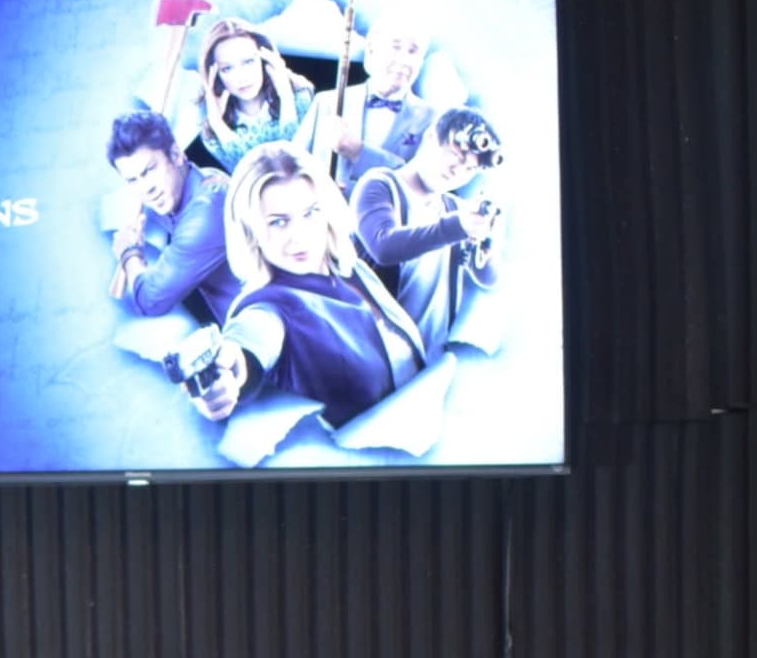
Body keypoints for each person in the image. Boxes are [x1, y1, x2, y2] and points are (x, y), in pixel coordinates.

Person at [186, 142, 429, 430]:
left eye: (311, 212)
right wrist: (231, 370)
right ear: (250, 230)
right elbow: (250, 341)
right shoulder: (267, 306)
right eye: (278, 222)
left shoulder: (353, 270)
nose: (300, 236)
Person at [350, 106, 505, 345]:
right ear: (431, 137)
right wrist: (459, 227)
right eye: (455, 156)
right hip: (380, 351)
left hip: (433, 354)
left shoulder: (456, 209)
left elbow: (488, 278)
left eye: (470, 169)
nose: (458, 172)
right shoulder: (379, 185)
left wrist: (486, 241)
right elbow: (383, 248)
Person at [105, 106, 238, 320]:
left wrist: (129, 253)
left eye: (149, 170)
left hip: (281, 338)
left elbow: (151, 301)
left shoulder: (206, 210)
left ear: (176, 155)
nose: (146, 189)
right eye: (132, 179)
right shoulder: (189, 183)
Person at [183, 20, 310, 178]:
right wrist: (218, 125)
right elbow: (248, 176)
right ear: (214, 75)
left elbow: (297, 161)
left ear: (265, 60)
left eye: (248, 61)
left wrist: (286, 97)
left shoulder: (301, 97)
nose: (240, 77)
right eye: (227, 68)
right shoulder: (212, 129)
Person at [329, 25, 438, 188]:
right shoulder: (326, 101)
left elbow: (424, 185)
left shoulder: (433, 120)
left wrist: (360, 152)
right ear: (371, 51)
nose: (404, 60)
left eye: (413, 51)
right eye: (396, 47)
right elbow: (291, 161)